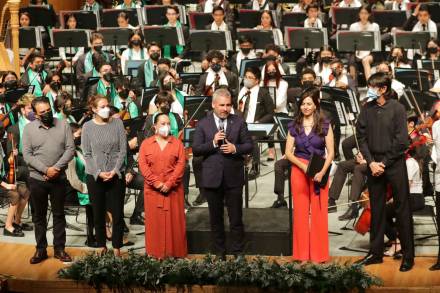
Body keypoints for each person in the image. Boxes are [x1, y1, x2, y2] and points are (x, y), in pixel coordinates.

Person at [355, 72, 414, 272]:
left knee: (402, 209)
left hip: (394, 164)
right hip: (374, 165)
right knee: (377, 209)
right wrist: (371, 163)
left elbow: (402, 141)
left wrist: (383, 163)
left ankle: (408, 255)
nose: (369, 90)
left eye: (372, 87)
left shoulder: (397, 108)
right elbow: (360, 136)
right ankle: (375, 253)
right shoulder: (366, 109)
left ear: (383, 89)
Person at [192, 88, 253, 259]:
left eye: (228, 105)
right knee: (216, 219)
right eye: (221, 105)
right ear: (213, 105)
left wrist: (236, 148)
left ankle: (238, 252)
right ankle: (220, 253)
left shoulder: (239, 121)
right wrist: (212, 143)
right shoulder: (203, 124)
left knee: (236, 219)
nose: (225, 109)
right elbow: (196, 149)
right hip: (212, 179)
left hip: (233, 177)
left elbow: (249, 145)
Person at [22, 96, 75, 264]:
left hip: (58, 178)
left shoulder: (63, 124)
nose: (46, 114)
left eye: (48, 110)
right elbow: (27, 155)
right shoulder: (29, 129)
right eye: (42, 112)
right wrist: (46, 170)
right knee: (39, 216)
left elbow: (70, 149)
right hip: (37, 179)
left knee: (59, 214)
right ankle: (41, 250)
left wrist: (55, 169)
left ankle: (59, 249)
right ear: (36, 115)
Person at [285, 87, 334, 263]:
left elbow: (331, 153)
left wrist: (321, 172)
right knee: (300, 213)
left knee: (319, 212)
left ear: (316, 105)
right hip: (299, 170)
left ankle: (319, 255)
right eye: (303, 104)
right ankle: (301, 254)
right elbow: (288, 152)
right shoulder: (294, 125)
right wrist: (303, 167)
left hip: (320, 171)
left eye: (309, 103)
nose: (305, 107)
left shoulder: (325, 124)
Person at [81, 94, 127, 257]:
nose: (106, 109)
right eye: (102, 107)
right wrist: (98, 173)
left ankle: (116, 246)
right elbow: (86, 154)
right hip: (95, 175)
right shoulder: (87, 127)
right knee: (98, 212)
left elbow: (123, 150)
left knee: (117, 213)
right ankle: (101, 244)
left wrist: (115, 171)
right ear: (93, 109)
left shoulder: (118, 123)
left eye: (107, 105)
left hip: (116, 173)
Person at [138, 113, 187, 258]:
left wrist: (169, 183)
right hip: (153, 191)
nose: (166, 127)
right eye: (163, 124)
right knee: (155, 225)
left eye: (168, 124)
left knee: (175, 224)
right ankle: (155, 254)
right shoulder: (146, 144)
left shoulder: (177, 143)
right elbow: (143, 165)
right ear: (155, 127)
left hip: (173, 190)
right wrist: (156, 183)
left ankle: (176, 255)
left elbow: (181, 165)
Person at [349, 5, 380, 81]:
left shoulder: (375, 26)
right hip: (357, 51)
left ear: (369, 14)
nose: (363, 15)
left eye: (366, 13)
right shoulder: (353, 26)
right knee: (352, 63)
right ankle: (354, 88)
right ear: (359, 14)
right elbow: (351, 43)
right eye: (361, 13)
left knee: (365, 60)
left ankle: (370, 85)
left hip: (371, 52)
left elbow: (377, 43)